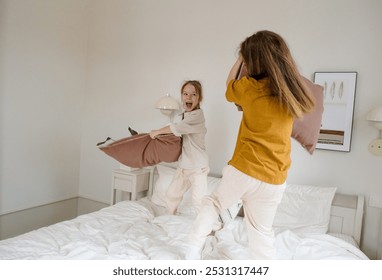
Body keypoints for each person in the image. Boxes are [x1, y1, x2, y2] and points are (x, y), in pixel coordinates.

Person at [186, 30, 315, 260]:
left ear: (251, 60)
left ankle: (192, 250)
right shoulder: (292, 93)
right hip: (275, 178)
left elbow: (228, 86)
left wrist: (239, 60)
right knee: (262, 234)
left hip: (245, 169)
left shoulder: (249, 88)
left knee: (213, 203)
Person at [150, 80, 209, 216]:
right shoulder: (184, 116)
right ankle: (170, 218)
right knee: (172, 195)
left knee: (198, 202)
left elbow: (175, 128)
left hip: (198, 167)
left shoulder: (197, 116)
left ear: (199, 98)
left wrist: (157, 132)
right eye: (185, 94)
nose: (188, 97)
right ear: (181, 96)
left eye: (193, 94)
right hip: (184, 165)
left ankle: (212, 227)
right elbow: (176, 133)